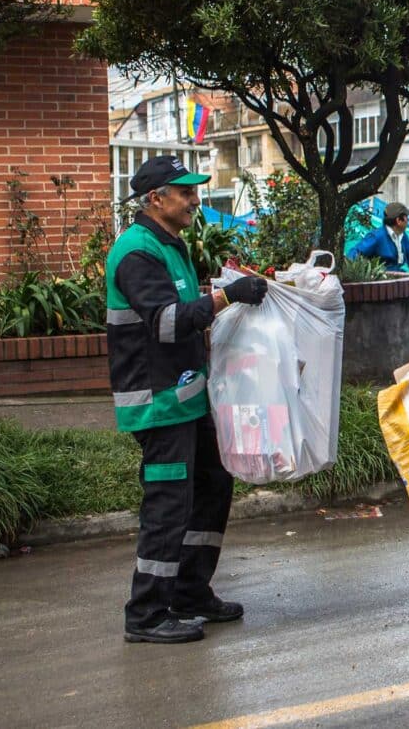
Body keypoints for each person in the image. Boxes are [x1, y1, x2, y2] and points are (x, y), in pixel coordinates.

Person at [107, 156, 270, 644]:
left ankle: (190, 590)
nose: (196, 200)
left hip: (185, 398)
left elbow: (183, 305)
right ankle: (147, 613)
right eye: (186, 192)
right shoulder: (137, 251)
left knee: (213, 485)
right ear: (156, 199)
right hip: (157, 404)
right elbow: (164, 322)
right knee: (168, 505)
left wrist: (225, 293)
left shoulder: (168, 244)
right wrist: (226, 298)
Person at [347, 201, 409, 306]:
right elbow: (355, 252)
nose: (408, 220)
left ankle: (408, 311)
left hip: (400, 276)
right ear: (399, 220)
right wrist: (360, 275)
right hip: (382, 279)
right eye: (406, 217)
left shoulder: (403, 236)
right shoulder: (377, 237)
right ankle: (402, 310)